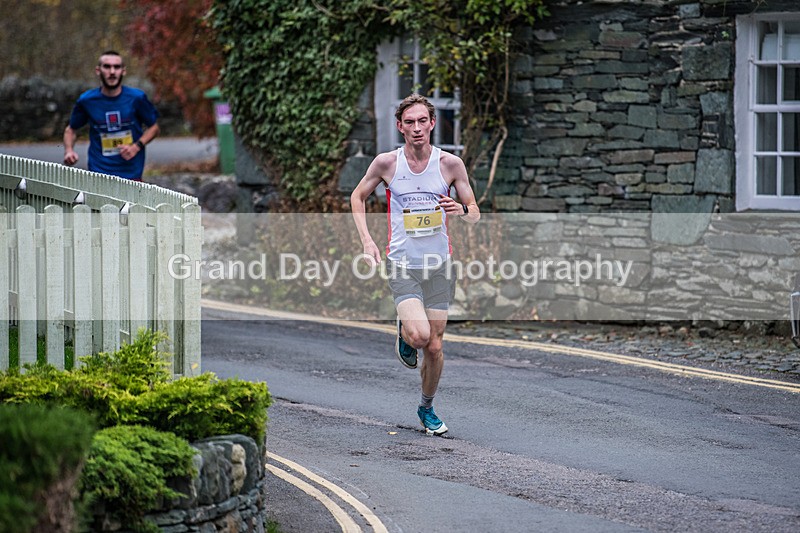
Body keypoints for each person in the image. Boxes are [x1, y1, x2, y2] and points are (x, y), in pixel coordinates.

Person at [351, 93, 480, 436]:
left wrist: (461, 210)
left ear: (433, 124)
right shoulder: (387, 164)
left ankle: (426, 407)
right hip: (403, 264)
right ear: (400, 127)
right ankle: (406, 328)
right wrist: (367, 240)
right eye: (410, 122)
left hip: (439, 266)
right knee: (421, 336)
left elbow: (475, 212)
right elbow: (357, 196)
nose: (417, 128)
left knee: (435, 347)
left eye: (423, 121)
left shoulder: (450, 165)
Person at [63, 51, 160, 181]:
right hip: (99, 174)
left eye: (117, 67)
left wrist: (136, 147)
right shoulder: (87, 100)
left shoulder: (136, 98)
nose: (112, 71)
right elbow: (71, 130)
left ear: (123, 71)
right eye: (107, 66)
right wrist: (69, 150)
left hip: (131, 174)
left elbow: (154, 128)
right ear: (98, 70)